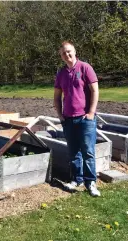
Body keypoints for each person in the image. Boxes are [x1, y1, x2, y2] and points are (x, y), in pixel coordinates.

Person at [53, 41, 101, 197]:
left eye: (69, 51)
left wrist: (91, 113)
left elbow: (95, 91)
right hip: (68, 119)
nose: (67, 55)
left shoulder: (85, 68)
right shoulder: (61, 73)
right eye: (63, 53)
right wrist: (60, 116)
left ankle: (90, 182)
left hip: (85, 119)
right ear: (61, 56)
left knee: (88, 152)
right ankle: (76, 179)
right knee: (74, 152)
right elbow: (57, 97)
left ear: (74, 51)